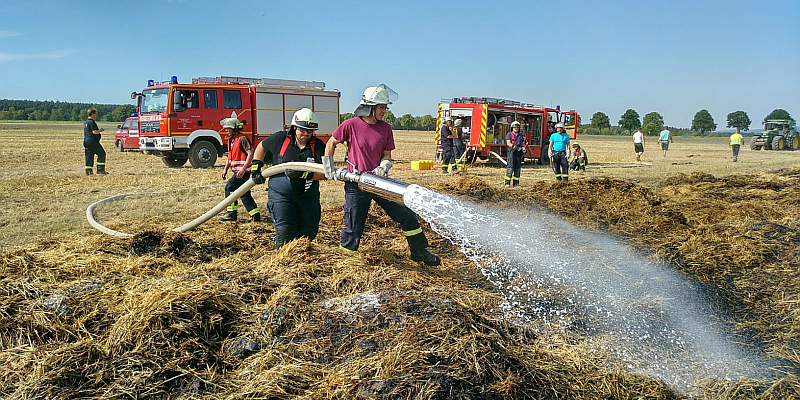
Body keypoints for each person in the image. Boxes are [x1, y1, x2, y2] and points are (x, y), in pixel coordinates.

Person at [322, 84, 441, 266]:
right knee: (353, 225)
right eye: (382, 107)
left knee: (407, 215)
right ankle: (346, 260)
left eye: (385, 107)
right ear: (370, 107)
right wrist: (329, 167)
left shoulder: (385, 128)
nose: (385, 110)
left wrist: (384, 165)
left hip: (379, 182)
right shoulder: (350, 125)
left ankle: (419, 251)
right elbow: (331, 143)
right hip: (356, 184)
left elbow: (387, 154)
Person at [250, 108, 325, 249]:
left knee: (308, 233)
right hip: (282, 195)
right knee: (285, 233)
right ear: (295, 127)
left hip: (308, 196)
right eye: (302, 130)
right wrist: (256, 167)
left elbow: (326, 173)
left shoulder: (318, 146)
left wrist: (305, 174)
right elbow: (261, 146)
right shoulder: (281, 139)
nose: (306, 134)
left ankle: (302, 263)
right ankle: (283, 262)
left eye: (310, 131)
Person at [219, 117, 261, 223]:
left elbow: (250, 153)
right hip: (238, 172)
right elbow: (230, 157)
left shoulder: (242, 139)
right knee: (244, 193)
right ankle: (255, 215)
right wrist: (225, 170)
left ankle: (231, 214)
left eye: (228, 129)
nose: (226, 131)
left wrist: (243, 169)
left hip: (243, 172)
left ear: (234, 128)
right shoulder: (231, 140)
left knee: (230, 187)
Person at [83, 108, 107, 175]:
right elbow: (94, 132)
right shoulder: (92, 122)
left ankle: (88, 171)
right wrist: (100, 130)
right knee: (101, 154)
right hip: (93, 142)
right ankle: (100, 170)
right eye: (95, 113)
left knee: (89, 156)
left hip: (86, 142)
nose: (96, 115)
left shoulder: (86, 122)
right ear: (92, 114)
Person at [505, 120, 525, 186]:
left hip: (518, 154)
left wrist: (523, 148)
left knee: (517, 169)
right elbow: (508, 143)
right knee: (510, 168)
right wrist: (515, 147)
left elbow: (522, 143)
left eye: (517, 127)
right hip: (512, 153)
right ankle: (507, 183)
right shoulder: (509, 134)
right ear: (512, 128)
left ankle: (516, 183)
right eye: (515, 127)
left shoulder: (520, 135)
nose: (516, 128)